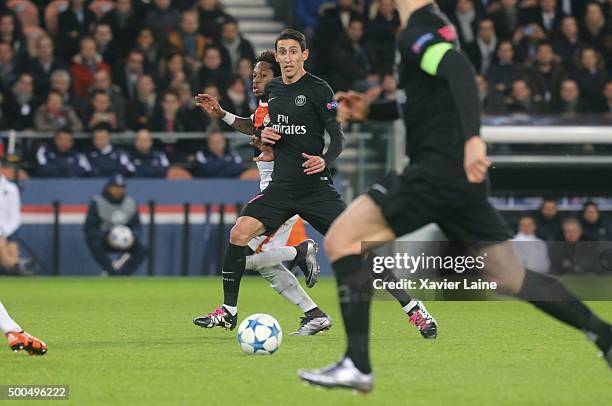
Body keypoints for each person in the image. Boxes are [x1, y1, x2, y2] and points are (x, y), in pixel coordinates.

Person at [301, 0, 612, 392]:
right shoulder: (433, 26)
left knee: (343, 240)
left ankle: (357, 364)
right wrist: (373, 111)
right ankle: (605, 335)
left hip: (435, 172)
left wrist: (474, 140)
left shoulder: (417, 33)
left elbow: (459, 70)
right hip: (459, 182)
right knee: (509, 275)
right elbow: (428, 100)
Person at [193, 30, 437, 338]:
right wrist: (264, 137)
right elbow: (267, 129)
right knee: (239, 233)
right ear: (278, 56)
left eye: (294, 52)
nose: (288, 58)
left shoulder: (319, 89)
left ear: (303, 55)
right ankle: (229, 311)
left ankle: (415, 310)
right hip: (281, 188)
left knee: (358, 249)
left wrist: (326, 159)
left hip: (314, 187)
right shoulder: (274, 91)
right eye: (283, 52)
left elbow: (337, 135)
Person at [193, 51, 334, 335]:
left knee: (244, 255)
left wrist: (274, 148)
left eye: (263, 75)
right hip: (269, 187)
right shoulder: (264, 107)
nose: (255, 80)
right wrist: (223, 115)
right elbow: (254, 125)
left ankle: (297, 252)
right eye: (254, 76)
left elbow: (296, 138)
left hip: (285, 190)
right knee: (264, 263)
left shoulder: (288, 105)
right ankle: (314, 314)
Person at [84, 174, 146, 276]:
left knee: (142, 249)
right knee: (94, 243)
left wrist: (132, 236)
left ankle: (124, 275)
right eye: (115, 187)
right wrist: (107, 236)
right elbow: (89, 229)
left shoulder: (130, 203)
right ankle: (112, 273)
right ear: (108, 188)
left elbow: (137, 226)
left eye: (121, 188)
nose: (119, 190)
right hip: (104, 239)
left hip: (125, 239)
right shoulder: (98, 202)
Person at [0, 165, 32, 275]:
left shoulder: (11, 188)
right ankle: (19, 266)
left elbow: (15, 216)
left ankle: (17, 266)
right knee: (1, 244)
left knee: (11, 250)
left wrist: (4, 231)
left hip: (8, 230)